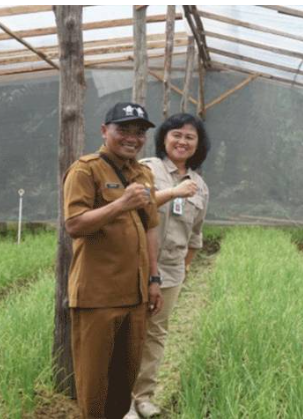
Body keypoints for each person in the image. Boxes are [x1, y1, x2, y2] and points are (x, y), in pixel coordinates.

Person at [63, 102, 164, 419]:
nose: (132, 138)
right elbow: (75, 224)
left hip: (134, 297)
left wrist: (154, 279)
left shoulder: (143, 172)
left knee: (124, 382)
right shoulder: (85, 170)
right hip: (97, 297)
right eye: (124, 130)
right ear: (105, 131)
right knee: (94, 385)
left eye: (139, 132)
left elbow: (150, 228)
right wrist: (120, 204)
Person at [125, 113, 210, 419]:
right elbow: (136, 204)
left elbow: (195, 236)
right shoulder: (148, 168)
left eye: (190, 137)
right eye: (177, 135)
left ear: (198, 145)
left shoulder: (199, 186)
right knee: (130, 330)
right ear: (164, 138)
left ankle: (143, 396)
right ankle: (122, 402)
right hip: (134, 265)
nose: (182, 142)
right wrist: (173, 192)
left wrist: (183, 270)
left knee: (156, 332)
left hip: (171, 271)